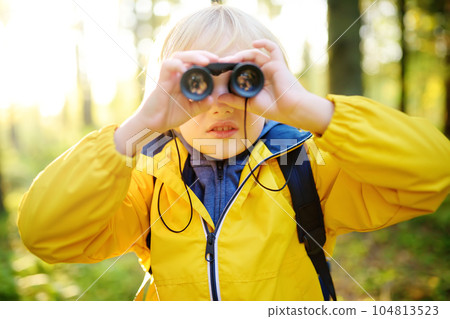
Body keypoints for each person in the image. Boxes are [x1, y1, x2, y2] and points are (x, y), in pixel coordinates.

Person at [17, 4, 450, 301]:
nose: (220, 102)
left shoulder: (307, 168)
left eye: (245, 81)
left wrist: (308, 109)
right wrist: (138, 126)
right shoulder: (146, 180)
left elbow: (432, 171)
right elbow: (46, 233)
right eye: (197, 84)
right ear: (167, 92)